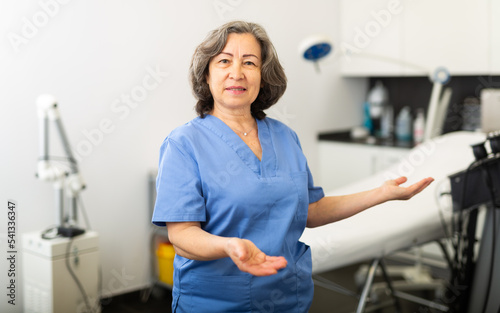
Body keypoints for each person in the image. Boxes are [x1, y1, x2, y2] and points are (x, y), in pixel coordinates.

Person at [152, 20, 434, 313]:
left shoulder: (284, 137)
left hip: (286, 296)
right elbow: (182, 236)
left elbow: (310, 210)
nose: (237, 72)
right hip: (216, 301)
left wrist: (380, 193)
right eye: (224, 61)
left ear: (262, 75)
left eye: (249, 62)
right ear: (207, 75)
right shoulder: (184, 144)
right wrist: (228, 247)